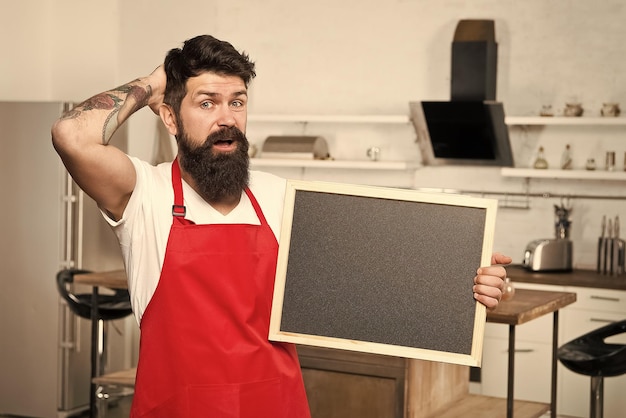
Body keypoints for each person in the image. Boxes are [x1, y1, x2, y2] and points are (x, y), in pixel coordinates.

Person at [51, 34, 512, 417]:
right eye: (206, 103)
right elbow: (71, 135)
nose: (227, 118)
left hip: (276, 405)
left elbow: (380, 278)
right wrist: (154, 83)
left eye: (237, 102)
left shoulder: (280, 196)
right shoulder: (145, 195)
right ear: (170, 116)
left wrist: (466, 285)